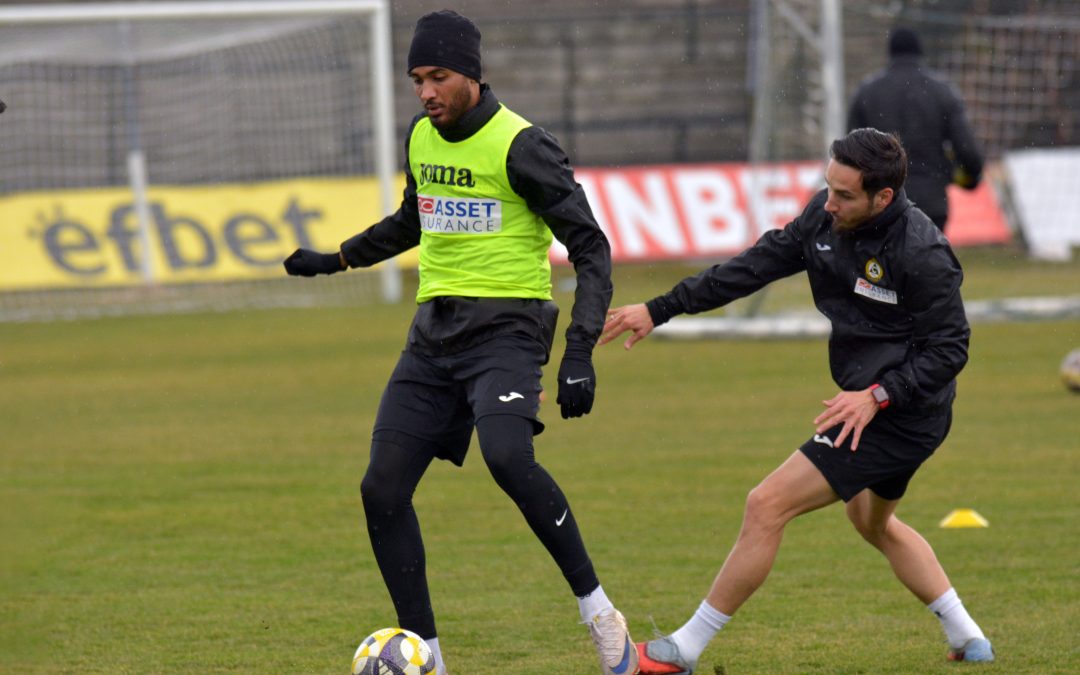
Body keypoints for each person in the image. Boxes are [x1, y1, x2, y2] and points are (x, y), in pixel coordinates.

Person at [283, 10, 635, 675]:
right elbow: (411, 221)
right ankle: (429, 657)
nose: (426, 92)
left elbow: (592, 247)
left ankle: (599, 613)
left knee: (507, 457)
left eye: (438, 76)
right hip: (432, 337)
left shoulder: (522, 146)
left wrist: (579, 351)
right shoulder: (421, 137)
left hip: (507, 331)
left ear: (473, 74)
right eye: (417, 79)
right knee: (381, 487)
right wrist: (336, 260)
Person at [600, 128, 994, 673]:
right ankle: (968, 636)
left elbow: (950, 349)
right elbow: (753, 267)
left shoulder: (922, 251)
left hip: (900, 414)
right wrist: (660, 308)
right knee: (872, 523)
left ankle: (683, 650)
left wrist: (878, 396)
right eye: (828, 187)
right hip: (875, 406)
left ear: (883, 197)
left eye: (844, 195)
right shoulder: (824, 219)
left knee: (766, 504)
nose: (829, 202)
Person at [847, 27, 984, 231]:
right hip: (930, 202)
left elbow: (851, 153)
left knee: (883, 252)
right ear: (919, 52)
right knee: (927, 251)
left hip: (882, 204)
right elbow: (968, 151)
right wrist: (970, 177)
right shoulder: (942, 91)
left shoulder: (866, 92)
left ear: (890, 53)